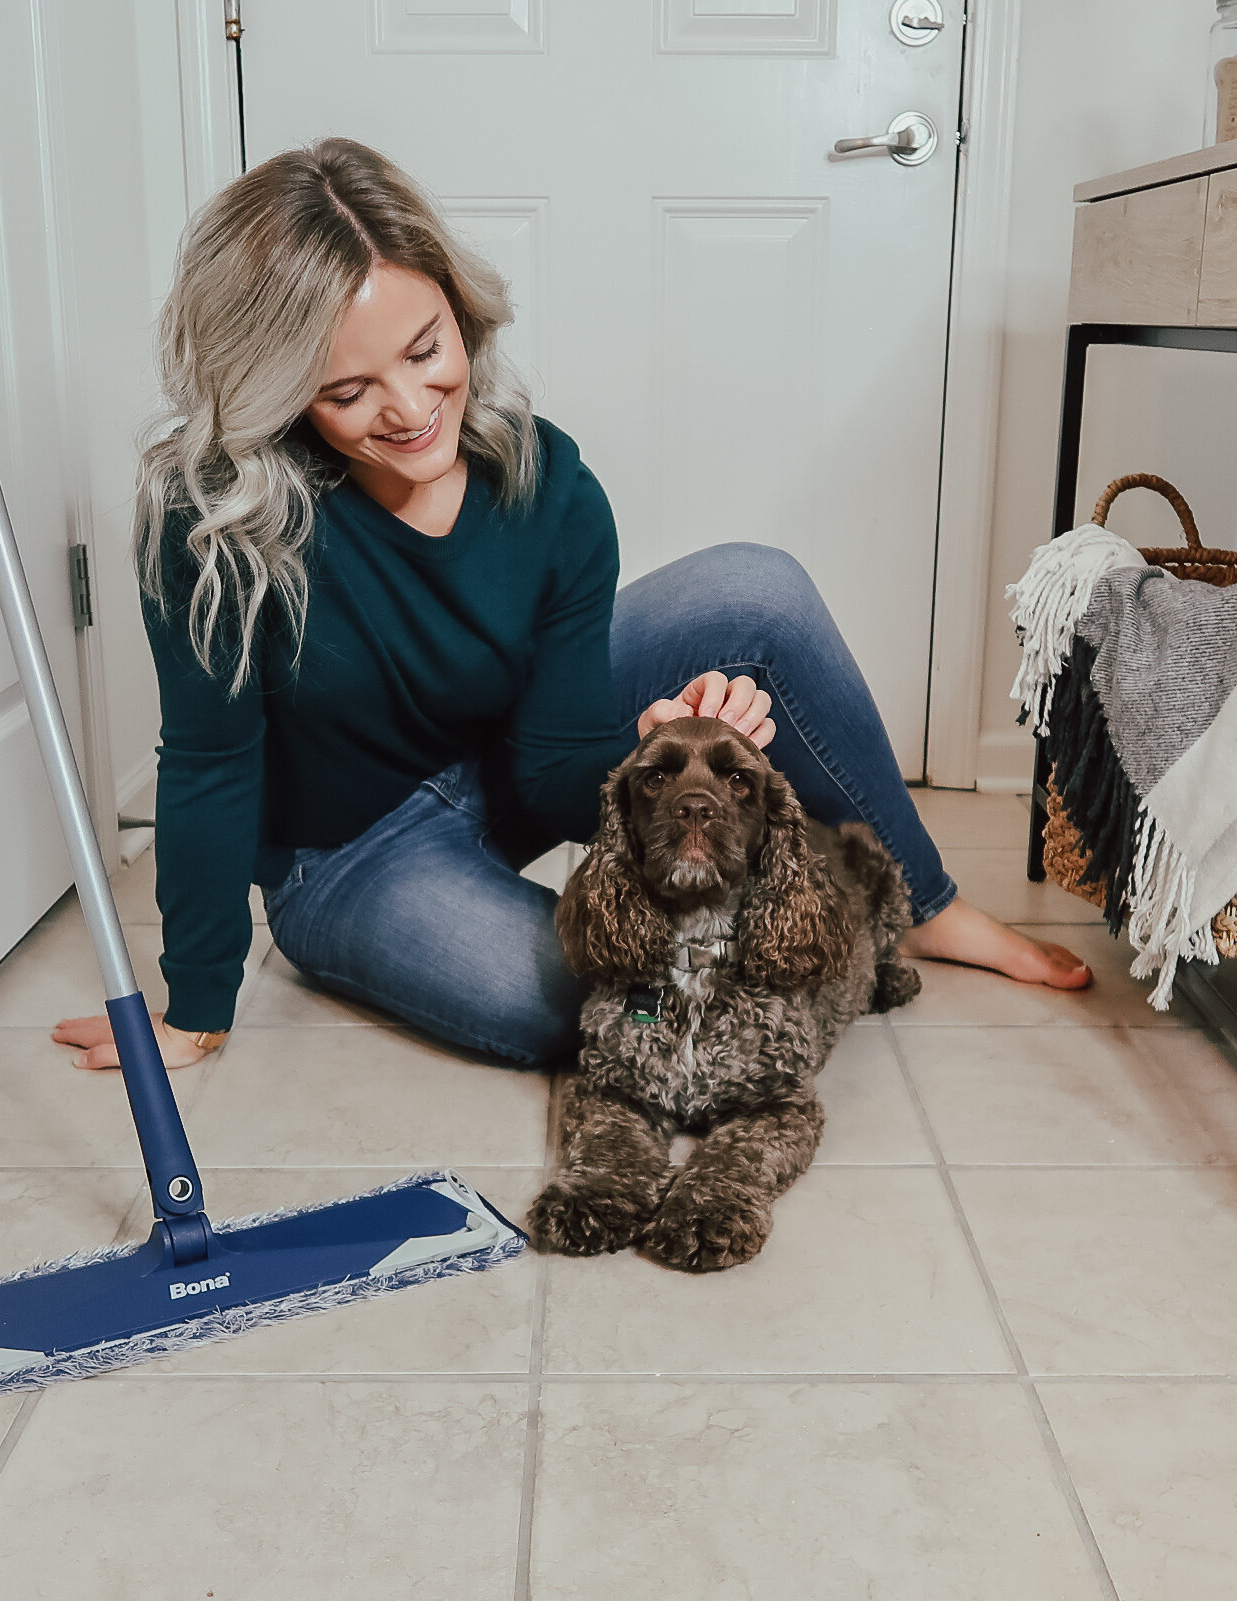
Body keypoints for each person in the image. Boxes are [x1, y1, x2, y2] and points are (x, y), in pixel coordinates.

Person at [55, 139, 1088, 1075]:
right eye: (346, 391)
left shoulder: (547, 484)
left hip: (507, 768)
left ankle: (922, 904)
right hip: (350, 853)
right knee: (583, 1012)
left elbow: (553, 776)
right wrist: (194, 999)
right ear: (275, 394)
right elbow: (211, 760)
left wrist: (648, 746)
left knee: (756, 590)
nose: (412, 412)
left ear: (459, 308)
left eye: (425, 351)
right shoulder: (211, 523)